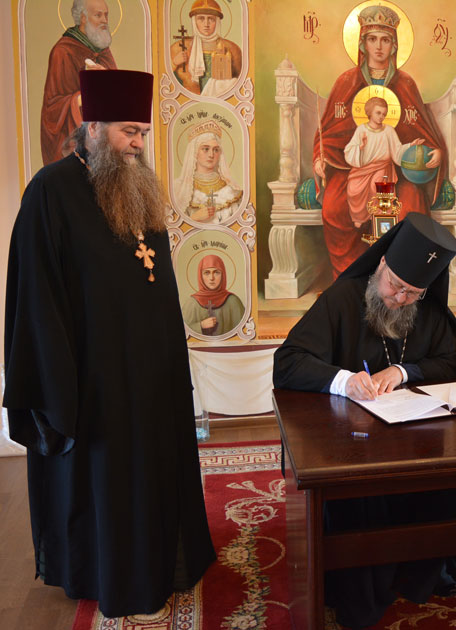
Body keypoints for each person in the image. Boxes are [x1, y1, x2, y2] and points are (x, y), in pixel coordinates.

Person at [3, 69, 216, 617]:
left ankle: (162, 560)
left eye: (142, 132)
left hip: (152, 373)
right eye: (128, 131)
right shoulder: (50, 192)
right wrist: (60, 388)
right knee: (109, 485)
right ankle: (112, 575)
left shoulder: (137, 185)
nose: (138, 144)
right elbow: (37, 299)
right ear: (92, 126)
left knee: (154, 473)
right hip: (94, 380)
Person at [274, 212, 456, 629]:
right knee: (364, 486)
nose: (400, 298)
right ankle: (363, 589)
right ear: (381, 265)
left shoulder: (426, 308)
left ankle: (424, 573)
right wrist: (344, 381)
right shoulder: (343, 299)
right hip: (351, 440)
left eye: (412, 293)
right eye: (395, 285)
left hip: (412, 434)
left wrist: (403, 371)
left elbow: (449, 363)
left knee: (450, 473)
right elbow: (287, 362)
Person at [313, 4, 448, 278]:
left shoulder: (406, 84)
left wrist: (436, 152)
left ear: (394, 45)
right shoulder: (346, 82)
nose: (378, 46)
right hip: (352, 169)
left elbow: (423, 129)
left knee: (410, 208)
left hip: (396, 171)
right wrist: (319, 158)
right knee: (335, 208)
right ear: (362, 43)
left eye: (385, 40)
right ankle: (350, 277)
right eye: (372, 39)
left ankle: (399, 276)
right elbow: (327, 133)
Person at [40, 0, 117, 166]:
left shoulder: (103, 51)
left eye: (106, 15)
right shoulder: (63, 51)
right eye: (98, 15)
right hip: (77, 139)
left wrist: (107, 80)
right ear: (83, 18)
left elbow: (117, 96)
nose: (104, 20)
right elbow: (53, 107)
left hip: (104, 137)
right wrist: (86, 95)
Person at [343, 96, 424, 227]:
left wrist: (410, 146)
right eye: (378, 113)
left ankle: (379, 219)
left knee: (376, 187)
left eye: (384, 114)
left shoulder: (389, 130)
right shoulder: (361, 129)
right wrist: (360, 147)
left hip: (382, 167)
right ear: (370, 112)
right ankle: (360, 217)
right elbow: (349, 150)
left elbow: (397, 150)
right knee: (353, 188)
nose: (381, 117)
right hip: (362, 168)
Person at [173, 120, 243, 223]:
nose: (211, 155)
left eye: (216, 150)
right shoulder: (179, 188)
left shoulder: (231, 190)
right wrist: (194, 219)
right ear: (194, 152)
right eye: (205, 149)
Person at [170, 0, 242, 97]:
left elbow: (239, 80)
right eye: (201, 19)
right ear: (194, 21)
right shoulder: (180, 47)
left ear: (217, 22)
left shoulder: (232, 49)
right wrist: (174, 63)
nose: (206, 24)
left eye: (211, 19)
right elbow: (168, 79)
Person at [182, 253, 245, 336]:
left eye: (216, 272)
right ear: (200, 275)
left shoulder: (234, 302)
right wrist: (201, 325)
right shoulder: (191, 303)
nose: (211, 278)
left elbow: (243, 330)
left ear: (223, 274)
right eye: (207, 273)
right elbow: (179, 330)